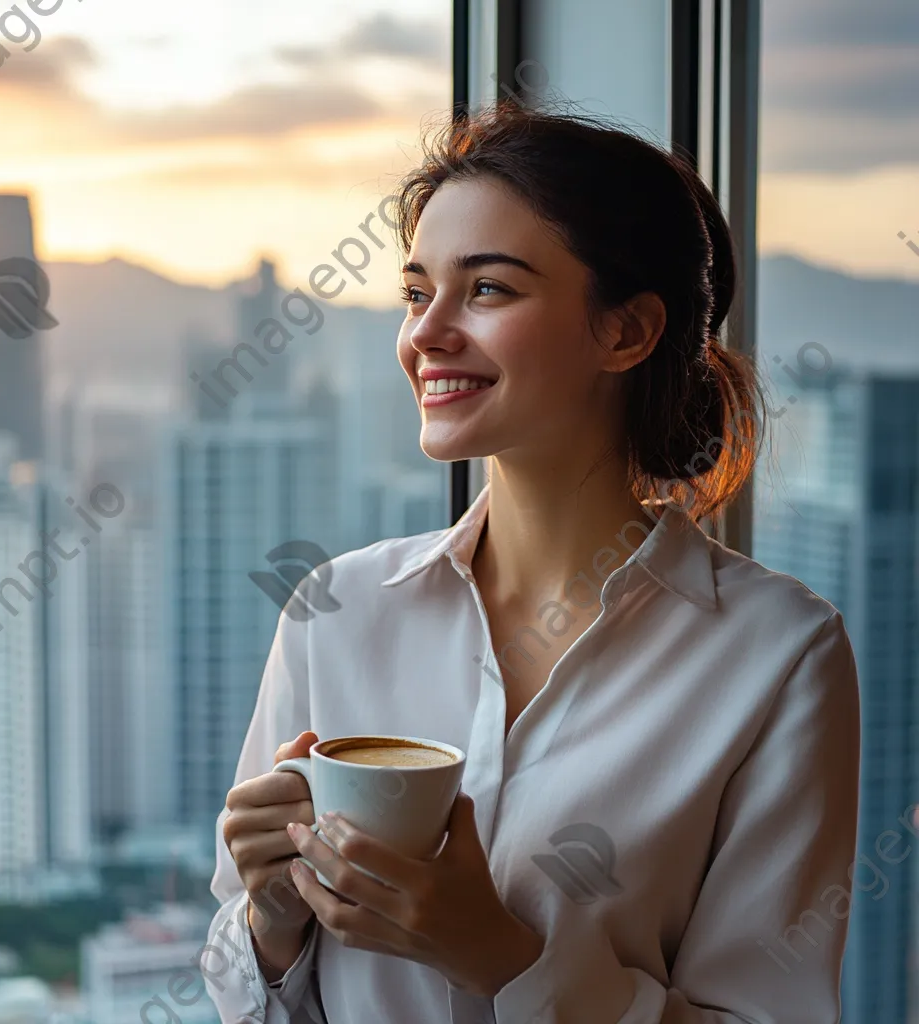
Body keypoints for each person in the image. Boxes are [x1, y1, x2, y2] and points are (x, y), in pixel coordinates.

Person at [203, 101, 861, 1024]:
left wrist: (505, 959)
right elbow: (250, 994)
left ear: (625, 332)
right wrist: (271, 913)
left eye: (487, 290)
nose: (426, 333)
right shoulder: (339, 610)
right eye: (415, 291)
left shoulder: (780, 655)